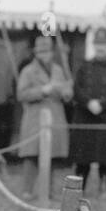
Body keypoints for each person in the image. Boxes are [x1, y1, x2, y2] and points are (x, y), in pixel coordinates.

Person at [15, 34, 73, 199]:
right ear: (35, 53)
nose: (44, 55)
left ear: (52, 52)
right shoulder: (27, 71)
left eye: (47, 52)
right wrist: (43, 90)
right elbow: (21, 94)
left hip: (55, 117)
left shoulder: (58, 70)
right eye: (40, 52)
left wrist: (65, 91)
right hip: (35, 117)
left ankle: (48, 190)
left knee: (52, 155)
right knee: (31, 155)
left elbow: (68, 93)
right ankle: (27, 190)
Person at [70, 27, 106, 194]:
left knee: (105, 154)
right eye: (98, 44)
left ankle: (104, 185)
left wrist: (102, 104)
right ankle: (80, 186)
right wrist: (88, 103)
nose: (101, 47)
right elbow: (77, 88)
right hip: (85, 116)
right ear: (94, 45)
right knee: (83, 155)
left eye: (104, 44)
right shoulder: (84, 66)